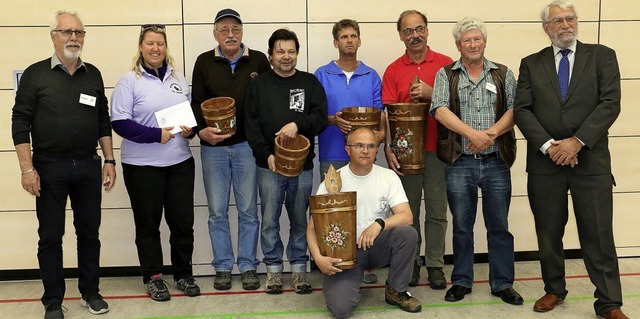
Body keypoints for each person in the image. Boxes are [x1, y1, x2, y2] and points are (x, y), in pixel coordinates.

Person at [513, 1, 628, 318]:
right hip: (544, 163)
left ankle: (609, 303)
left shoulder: (603, 56)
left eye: (570, 18)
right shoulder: (530, 64)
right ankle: (554, 289)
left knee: (599, 233)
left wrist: (576, 142)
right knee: (548, 232)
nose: (565, 25)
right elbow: (523, 109)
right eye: (557, 20)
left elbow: (610, 103)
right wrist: (551, 146)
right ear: (546, 27)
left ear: (576, 22)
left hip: (591, 161)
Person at [11, 10, 114, 318]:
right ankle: (53, 301)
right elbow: (20, 122)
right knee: (51, 237)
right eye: (67, 31)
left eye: (79, 32)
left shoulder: (92, 74)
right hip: (48, 168)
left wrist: (109, 159)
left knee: (89, 234)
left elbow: (102, 120)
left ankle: (90, 292)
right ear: (53, 36)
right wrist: (27, 168)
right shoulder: (35, 74)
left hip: (87, 166)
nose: (74, 37)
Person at [430, 17, 523, 305]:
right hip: (460, 161)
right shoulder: (446, 74)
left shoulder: (503, 73)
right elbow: (439, 109)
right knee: (461, 225)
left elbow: (515, 110)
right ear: (458, 45)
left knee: (499, 225)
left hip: (496, 160)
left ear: (484, 42)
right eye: (466, 40)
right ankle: (461, 281)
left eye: (477, 39)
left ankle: (503, 283)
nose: (472, 44)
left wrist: (490, 135)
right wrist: (473, 134)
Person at [110, 24, 200, 302]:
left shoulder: (178, 78)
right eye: (150, 43)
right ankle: (154, 278)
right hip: (142, 166)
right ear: (141, 47)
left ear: (165, 47)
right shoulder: (129, 81)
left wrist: (190, 130)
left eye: (160, 43)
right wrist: (154, 135)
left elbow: (190, 118)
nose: (155, 48)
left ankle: (183, 274)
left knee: (183, 224)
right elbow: (120, 122)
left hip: (180, 162)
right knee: (148, 226)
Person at [191, 8, 271, 291]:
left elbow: (265, 103)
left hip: (247, 149)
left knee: (249, 210)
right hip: (213, 150)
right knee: (217, 211)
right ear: (215, 33)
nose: (230, 34)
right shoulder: (203, 62)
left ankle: (248, 266)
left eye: (235, 29)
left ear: (242, 32)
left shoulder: (259, 60)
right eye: (224, 29)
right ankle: (223, 266)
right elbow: (195, 102)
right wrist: (202, 130)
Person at [245, 28, 328, 294]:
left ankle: (299, 269)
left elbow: (320, 117)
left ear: (297, 53)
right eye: (280, 51)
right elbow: (252, 126)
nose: (286, 56)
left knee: (300, 220)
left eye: (291, 51)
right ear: (270, 55)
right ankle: (273, 270)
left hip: (302, 168)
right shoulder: (258, 85)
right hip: (268, 167)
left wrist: (297, 123)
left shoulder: (309, 82)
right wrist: (265, 154)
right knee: (269, 220)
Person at [309, 128, 421, 318]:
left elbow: (406, 216)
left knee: (407, 234)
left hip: (377, 245)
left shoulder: (388, 176)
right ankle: (349, 282)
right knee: (341, 310)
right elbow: (312, 228)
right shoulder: (332, 181)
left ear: (376, 150)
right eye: (359, 145)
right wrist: (318, 259)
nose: (365, 151)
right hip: (344, 255)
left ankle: (396, 290)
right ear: (347, 150)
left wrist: (379, 224)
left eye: (371, 146)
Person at [381, 9, 453, 289]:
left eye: (419, 29)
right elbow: (385, 113)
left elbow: (458, 105)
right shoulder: (393, 70)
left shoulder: (447, 64)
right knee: (407, 212)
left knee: (437, 210)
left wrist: (431, 92)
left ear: (427, 30)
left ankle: (435, 264)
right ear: (401, 36)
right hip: (404, 155)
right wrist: (387, 147)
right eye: (408, 31)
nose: (415, 35)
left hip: (439, 150)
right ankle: (410, 263)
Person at [313, 18, 385, 285]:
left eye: (354, 36)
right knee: (335, 210)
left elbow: (381, 114)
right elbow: (316, 113)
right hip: (332, 151)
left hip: (364, 154)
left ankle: (363, 264)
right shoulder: (321, 74)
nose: (349, 41)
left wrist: (380, 137)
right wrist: (333, 120)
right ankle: (337, 260)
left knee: (364, 208)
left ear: (359, 40)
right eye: (344, 37)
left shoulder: (371, 75)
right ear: (335, 42)